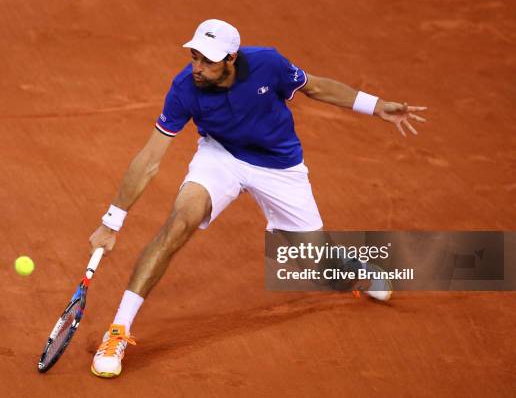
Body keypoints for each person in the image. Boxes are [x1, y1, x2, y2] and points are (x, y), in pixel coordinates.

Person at [88, 19, 427, 378]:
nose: (198, 68)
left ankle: (355, 269)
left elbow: (316, 88)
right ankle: (119, 331)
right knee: (179, 222)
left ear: (231, 58)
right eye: (194, 57)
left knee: (316, 263)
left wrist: (375, 105)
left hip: (279, 167)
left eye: (208, 61)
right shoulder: (185, 87)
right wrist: (112, 221)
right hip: (221, 157)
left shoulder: (268, 63)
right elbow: (149, 159)